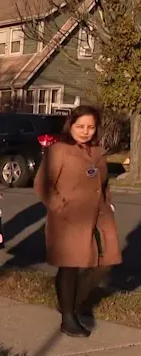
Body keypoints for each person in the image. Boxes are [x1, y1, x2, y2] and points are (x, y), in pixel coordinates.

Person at [34, 106, 121, 338]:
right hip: (68, 218)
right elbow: (42, 185)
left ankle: (72, 301)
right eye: (80, 126)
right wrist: (60, 206)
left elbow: (103, 183)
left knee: (106, 261)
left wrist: (108, 203)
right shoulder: (59, 150)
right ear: (70, 126)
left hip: (99, 216)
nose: (85, 131)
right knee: (70, 265)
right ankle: (68, 318)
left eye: (90, 127)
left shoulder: (98, 151)